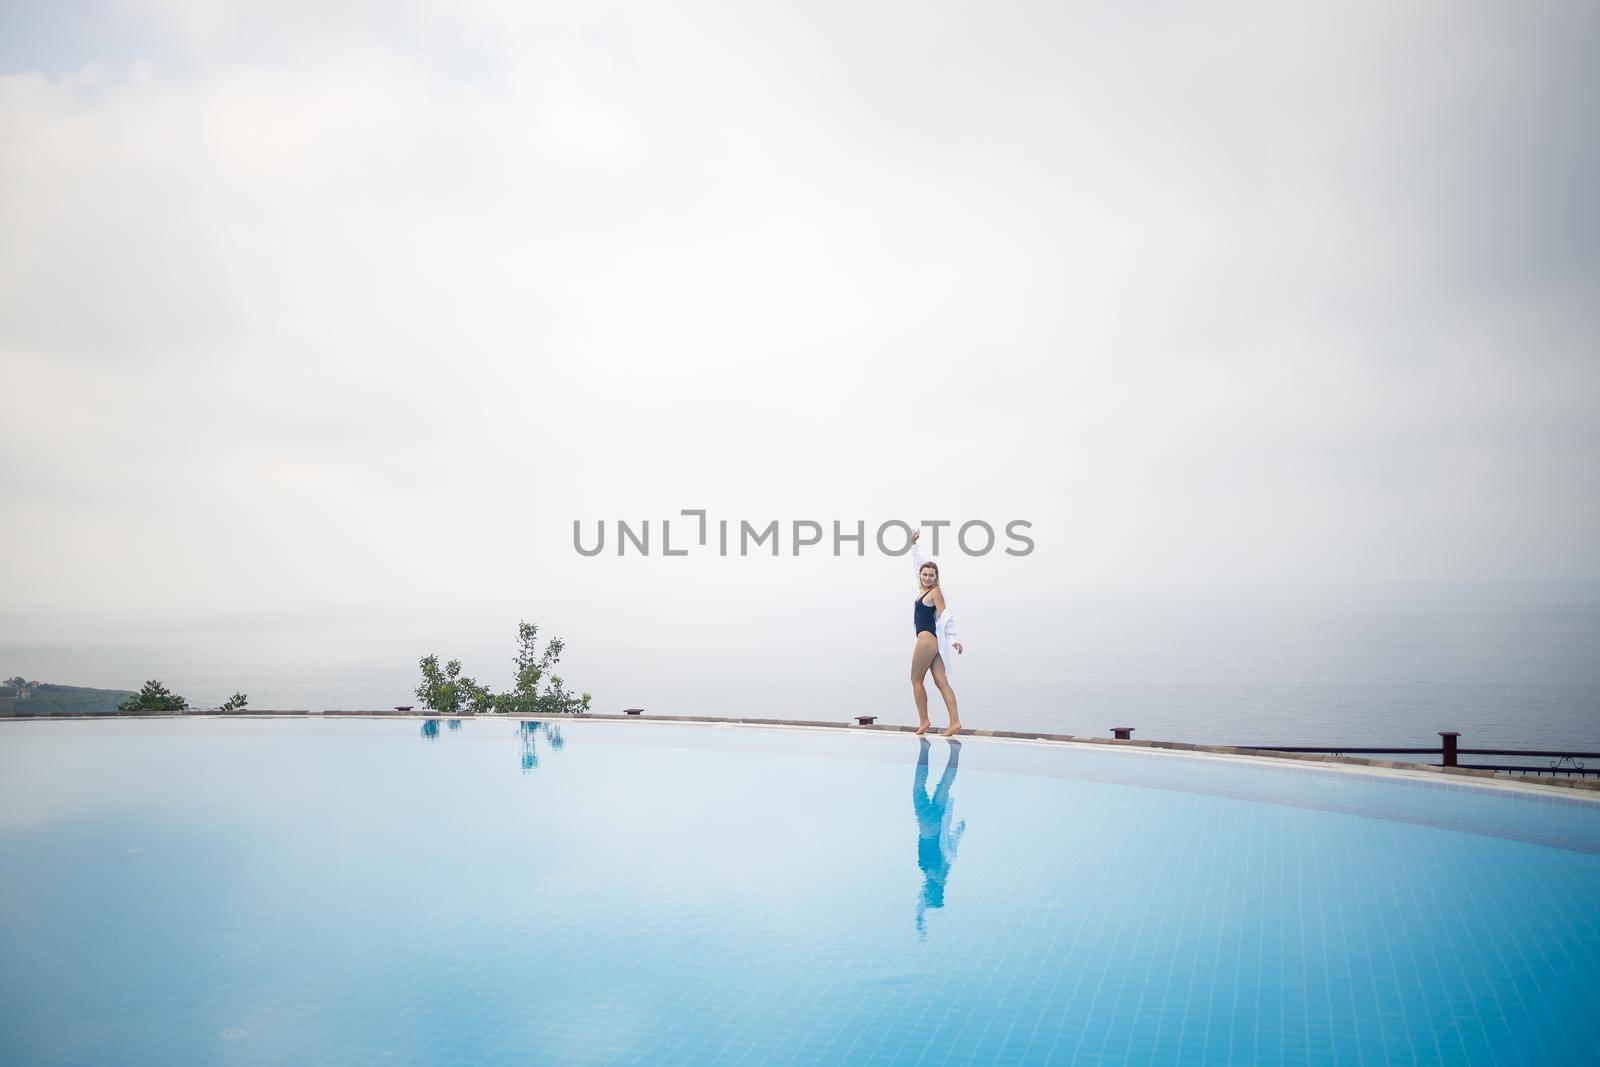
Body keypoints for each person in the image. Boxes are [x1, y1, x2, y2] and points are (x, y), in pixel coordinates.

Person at [909, 529, 964, 736]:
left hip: (926, 640)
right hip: (933, 644)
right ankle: (955, 722)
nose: (927, 577)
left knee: (915, 680)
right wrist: (913, 545)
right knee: (941, 682)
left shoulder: (935, 592)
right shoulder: (923, 589)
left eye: (932, 575)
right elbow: (918, 564)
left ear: (936, 577)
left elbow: (946, 616)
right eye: (925, 574)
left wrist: (954, 639)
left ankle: (924, 721)